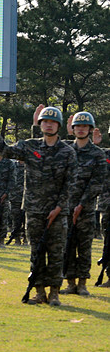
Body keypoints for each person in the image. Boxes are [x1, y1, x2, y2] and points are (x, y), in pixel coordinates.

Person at [0, 105, 77, 306]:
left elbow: (70, 184)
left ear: (59, 126)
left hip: (57, 212)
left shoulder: (67, 152)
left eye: (52, 122)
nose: (48, 124)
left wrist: (59, 207)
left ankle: (54, 292)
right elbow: (5, 151)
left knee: (56, 253)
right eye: (45, 121)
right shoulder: (30, 146)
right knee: (36, 252)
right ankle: (39, 291)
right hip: (34, 210)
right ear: (40, 124)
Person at [54, 112, 105, 296]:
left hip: (86, 208)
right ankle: (70, 282)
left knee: (84, 246)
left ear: (90, 129)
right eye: (78, 126)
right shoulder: (67, 150)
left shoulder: (97, 154)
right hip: (65, 207)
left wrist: (82, 204)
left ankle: (83, 283)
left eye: (85, 126)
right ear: (73, 129)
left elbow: (97, 182)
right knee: (67, 245)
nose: (81, 129)